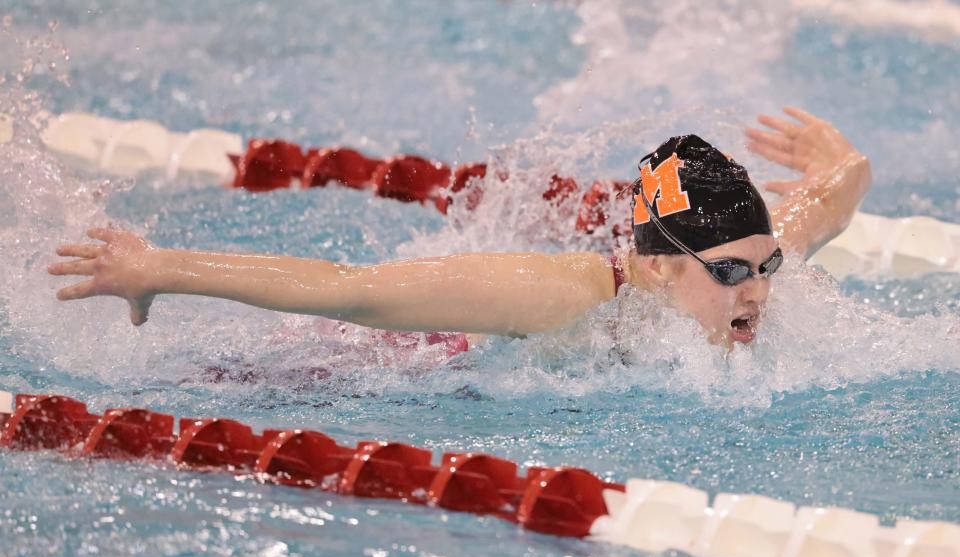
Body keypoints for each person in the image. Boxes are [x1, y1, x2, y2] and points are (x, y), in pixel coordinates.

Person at [47, 108, 871, 350]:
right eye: (731, 273)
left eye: (767, 269)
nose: (757, 291)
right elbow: (350, 293)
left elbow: (826, 201)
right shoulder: (559, 299)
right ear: (655, 266)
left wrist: (842, 163)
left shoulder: (744, 268)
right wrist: (159, 265)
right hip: (418, 357)